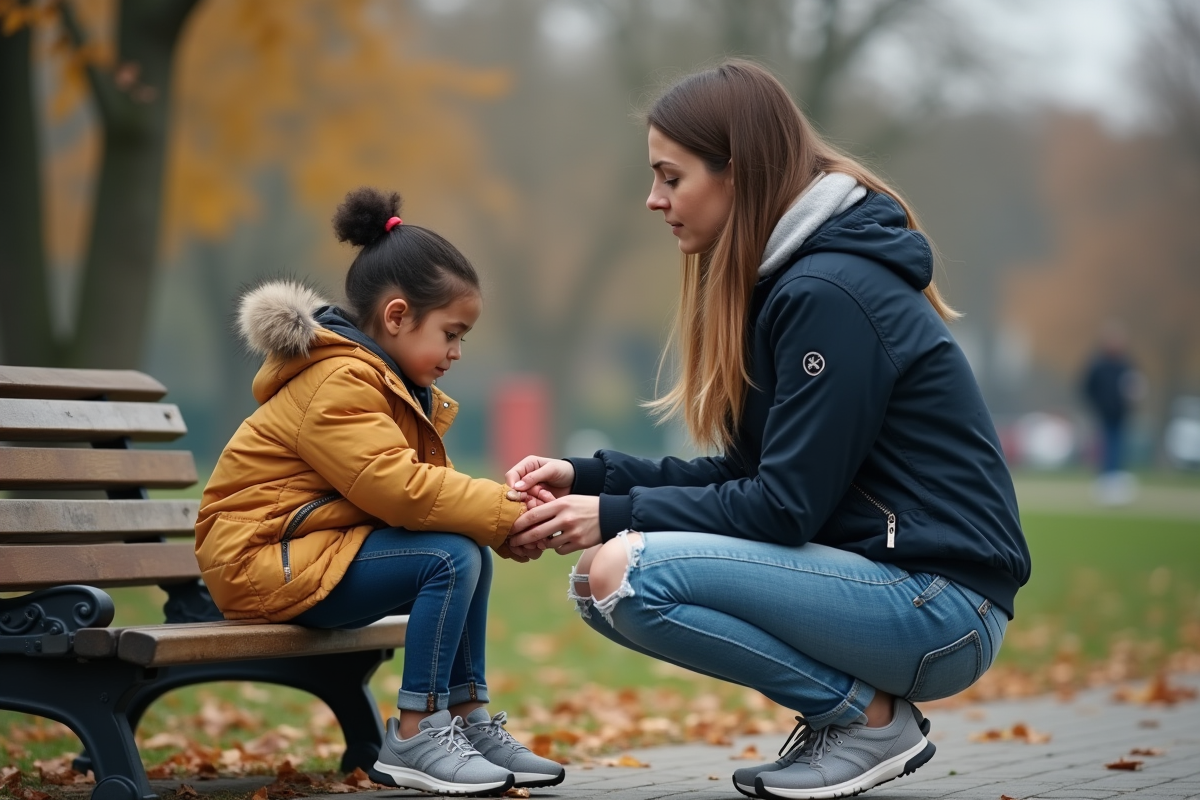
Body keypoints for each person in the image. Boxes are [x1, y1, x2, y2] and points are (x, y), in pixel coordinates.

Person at [503, 61, 1031, 800]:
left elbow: (782, 508)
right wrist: (589, 478)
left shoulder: (829, 292)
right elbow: (746, 476)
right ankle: (857, 720)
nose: (654, 199)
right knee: (599, 581)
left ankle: (867, 722)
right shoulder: (788, 284)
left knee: (627, 574)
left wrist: (615, 516)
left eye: (671, 177)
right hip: (900, 587)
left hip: (942, 605)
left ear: (738, 174)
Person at [194, 188, 564, 796]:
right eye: (451, 333)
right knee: (451, 556)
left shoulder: (382, 383)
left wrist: (501, 525)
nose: (456, 352)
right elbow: (401, 489)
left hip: (307, 551)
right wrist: (508, 513)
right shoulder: (338, 382)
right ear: (396, 317)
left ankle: (467, 719)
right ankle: (417, 734)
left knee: (464, 547)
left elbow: (420, 494)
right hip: (259, 561)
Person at [1081, 322, 1142, 505]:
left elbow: (1134, 387)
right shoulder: (1098, 365)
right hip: (1104, 413)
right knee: (1107, 445)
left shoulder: (1126, 364)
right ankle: (1106, 481)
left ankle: (1115, 480)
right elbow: (1087, 387)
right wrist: (1096, 405)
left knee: (1119, 445)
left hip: (1121, 414)